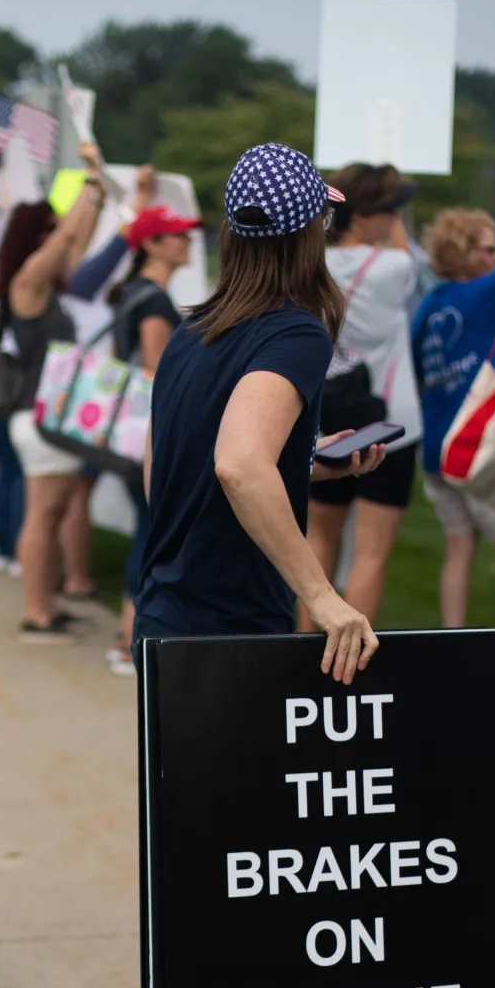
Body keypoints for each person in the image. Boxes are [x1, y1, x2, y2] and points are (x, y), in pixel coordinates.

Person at [135, 142, 387, 684]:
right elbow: (240, 464)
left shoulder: (191, 330)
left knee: (177, 774)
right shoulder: (296, 332)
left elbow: (166, 471)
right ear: (309, 235)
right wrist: (321, 596)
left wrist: (303, 464)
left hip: (163, 614)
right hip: (232, 626)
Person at [303, 163, 425, 628]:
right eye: (390, 208)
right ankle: (351, 659)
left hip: (328, 416)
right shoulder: (396, 265)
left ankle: (302, 641)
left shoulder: (314, 262)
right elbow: (403, 248)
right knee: (372, 553)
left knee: (319, 540)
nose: (396, 217)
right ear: (365, 214)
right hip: (390, 423)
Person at [0, 142, 109, 642]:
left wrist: (99, 195)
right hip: (36, 418)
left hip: (50, 418)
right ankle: (34, 611)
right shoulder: (26, 286)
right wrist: (88, 182)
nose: (54, 240)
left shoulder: (50, 289)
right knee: (43, 517)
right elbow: (66, 239)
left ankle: (45, 603)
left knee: (52, 512)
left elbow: (73, 241)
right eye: (44, 232)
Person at [413, 208, 495, 628]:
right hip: (475, 446)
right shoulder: (485, 291)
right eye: (488, 248)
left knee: (459, 549)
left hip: (436, 447)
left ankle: (452, 646)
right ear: (463, 253)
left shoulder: (429, 305)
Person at [103, 202, 198, 675]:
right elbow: (159, 373)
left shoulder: (132, 292)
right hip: (149, 436)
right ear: (153, 245)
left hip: (126, 432)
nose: (188, 242)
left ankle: (127, 635)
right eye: (177, 235)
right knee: (152, 535)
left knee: (147, 531)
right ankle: (130, 639)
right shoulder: (155, 301)